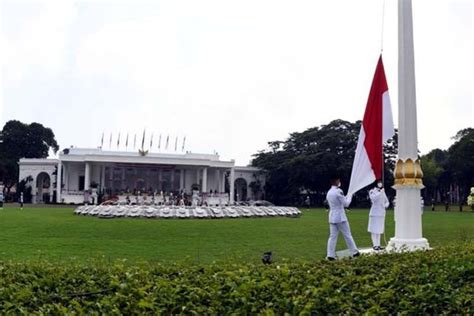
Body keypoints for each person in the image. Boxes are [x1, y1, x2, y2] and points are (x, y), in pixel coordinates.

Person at [326, 176, 360, 260]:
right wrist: (350, 195)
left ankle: (330, 254)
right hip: (340, 217)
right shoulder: (338, 191)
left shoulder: (329, 192)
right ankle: (354, 252)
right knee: (347, 235)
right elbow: (346, 204)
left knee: (332, 236)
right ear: (337, 181)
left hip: (332, 216)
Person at [368, 180, 389, 251]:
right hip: (374, 213)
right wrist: (380, 193)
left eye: (381, 182)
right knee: (374, 230)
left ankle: (378, 245)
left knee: (379, 229)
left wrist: (385, 205)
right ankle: (375, 245)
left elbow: (387, 201)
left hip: (381, 213)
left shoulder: (382, 191)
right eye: (379, 182)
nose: (380, 184)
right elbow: (373, 199)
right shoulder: (372, 191)